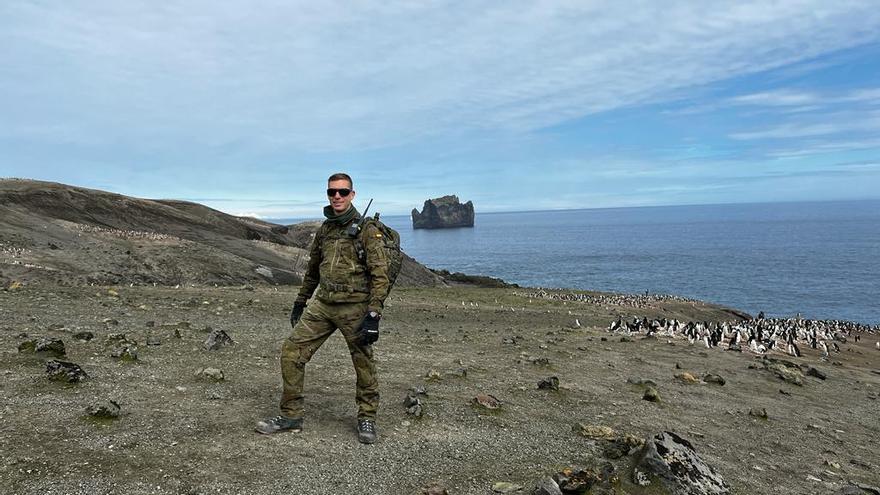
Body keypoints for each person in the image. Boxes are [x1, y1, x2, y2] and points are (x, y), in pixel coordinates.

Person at [255, 172, 390, 444]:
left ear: (352, 194)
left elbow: (380, 274)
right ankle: (291, 415)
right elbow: (313, 271)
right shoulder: (326, 230)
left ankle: (367, 417)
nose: (337, 196)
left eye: (342, 192)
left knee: (363, 362)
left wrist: (374, 313)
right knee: (292, 351)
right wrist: (300, 300)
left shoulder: (367, 230)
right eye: (332, 192)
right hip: (323, 305)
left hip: (355, 308)